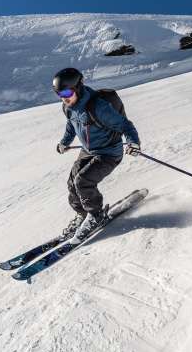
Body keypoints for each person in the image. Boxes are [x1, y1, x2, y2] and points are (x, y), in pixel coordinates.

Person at [53, 68, 141, 243]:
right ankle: (82, 214)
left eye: (66, 92)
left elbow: (125, 125)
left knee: (83, 181)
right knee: (72, 182)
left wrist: (133, 142)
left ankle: (95, 215)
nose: (64, 97)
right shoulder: (68, 107)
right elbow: (71, 126)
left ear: (77, 87)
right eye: (59, 93)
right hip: (88, 151)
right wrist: (64, 142)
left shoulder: (98, 107)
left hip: (109, 153)